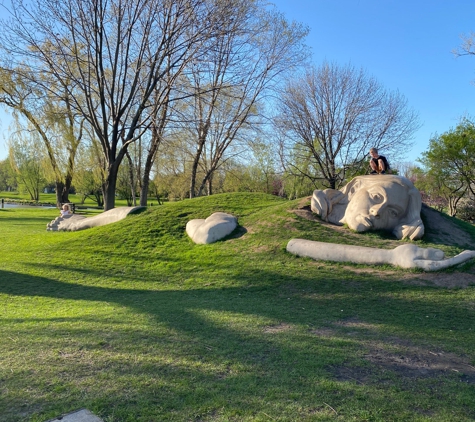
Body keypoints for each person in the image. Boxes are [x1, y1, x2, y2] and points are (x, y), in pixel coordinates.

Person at [310, 174, 424, 240]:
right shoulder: (323, 204)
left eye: (393, 212)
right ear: (355, 188)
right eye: (376, 197)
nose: (377, 212)